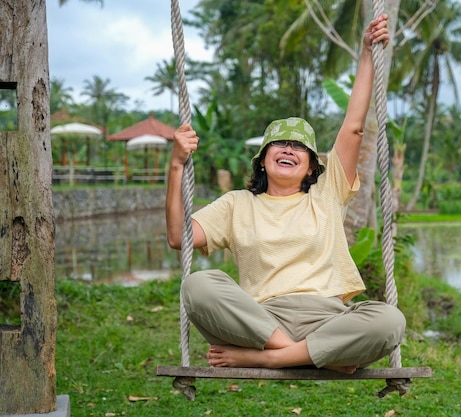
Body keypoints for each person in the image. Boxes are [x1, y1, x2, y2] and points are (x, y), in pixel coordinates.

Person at [166, 14, 405, 374]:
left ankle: (275, 358)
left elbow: (354, 129)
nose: (288, 149)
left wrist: (367, 53)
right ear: (262, 160)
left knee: (389, 321)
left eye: (299, 147)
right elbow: (177, 237)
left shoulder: (326, 192)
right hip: (260, 320)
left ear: (312, 166)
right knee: (198, 284)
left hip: (327, 319)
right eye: (279, 144)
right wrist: (175, 166)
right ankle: (312, 355)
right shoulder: (237, 203)